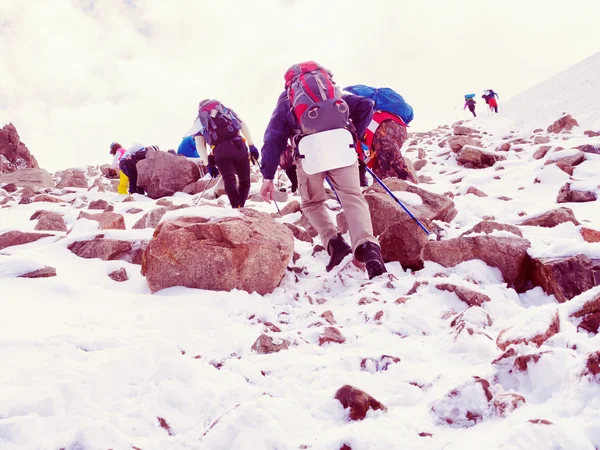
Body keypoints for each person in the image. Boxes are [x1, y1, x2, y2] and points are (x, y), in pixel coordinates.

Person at [259, 61, 387, 280]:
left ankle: (335, 245)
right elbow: (365, 105)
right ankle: (369, 248)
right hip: (341, 146)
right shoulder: (333, 93)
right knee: (352, 197)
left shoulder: (288, 98)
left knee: (311, 203)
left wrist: (268, 175)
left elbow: (273, 137)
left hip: (309, 153)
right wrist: (353, 135)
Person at [344, 85, 416, 183]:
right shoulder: (378, 113)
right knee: (381, 167)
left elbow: (384, 143)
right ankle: (393, 184)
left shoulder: (368, 114)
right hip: (398, 127)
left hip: (385, 126)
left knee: (387, 163)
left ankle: (404, 179)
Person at [194, 100, 259, 209]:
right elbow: (242, 124)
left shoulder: (199, 120)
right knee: (245, 182)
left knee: (229, 179)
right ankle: (240, 207)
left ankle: (236, 207)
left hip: (220, 152)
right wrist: (251, 145)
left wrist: (208, 164)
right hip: (239, 147)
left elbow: (199, 145)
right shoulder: (224, 110)